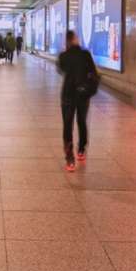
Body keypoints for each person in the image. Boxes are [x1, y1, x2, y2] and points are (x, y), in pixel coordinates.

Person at [57, 30, 99, 172]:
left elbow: (61, 68)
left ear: (66, 41)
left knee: (67, 125)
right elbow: (93, 72)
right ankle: (81, 149)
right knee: (82, 121)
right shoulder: (85, 54)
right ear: (76, 39)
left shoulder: (64, 56)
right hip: (83, 94)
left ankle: (70, 159)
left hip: (68, 95)